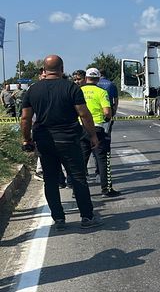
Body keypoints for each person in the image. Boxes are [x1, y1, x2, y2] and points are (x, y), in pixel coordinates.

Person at [20, 55, 103, 230]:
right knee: (78, 177)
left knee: (50, 180)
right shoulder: (71, 87)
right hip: (69, 139)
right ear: (62, 69)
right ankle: (87, 217)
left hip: (44, 140)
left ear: (44, 69)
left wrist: (27, 138)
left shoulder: (33, 90)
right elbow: (84, 114)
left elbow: (26, 118)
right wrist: (93, 136)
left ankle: (58, 219)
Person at [81, 68, 121, 198]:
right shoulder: (102, 92)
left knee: (81, 160)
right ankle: (106, 189)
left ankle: (77, 191)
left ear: (86, 78)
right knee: (102, 159)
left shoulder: (78, 91)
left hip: (80, 129)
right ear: (98, 79)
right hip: (97, 128)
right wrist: (107, 120)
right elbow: (107, 112)